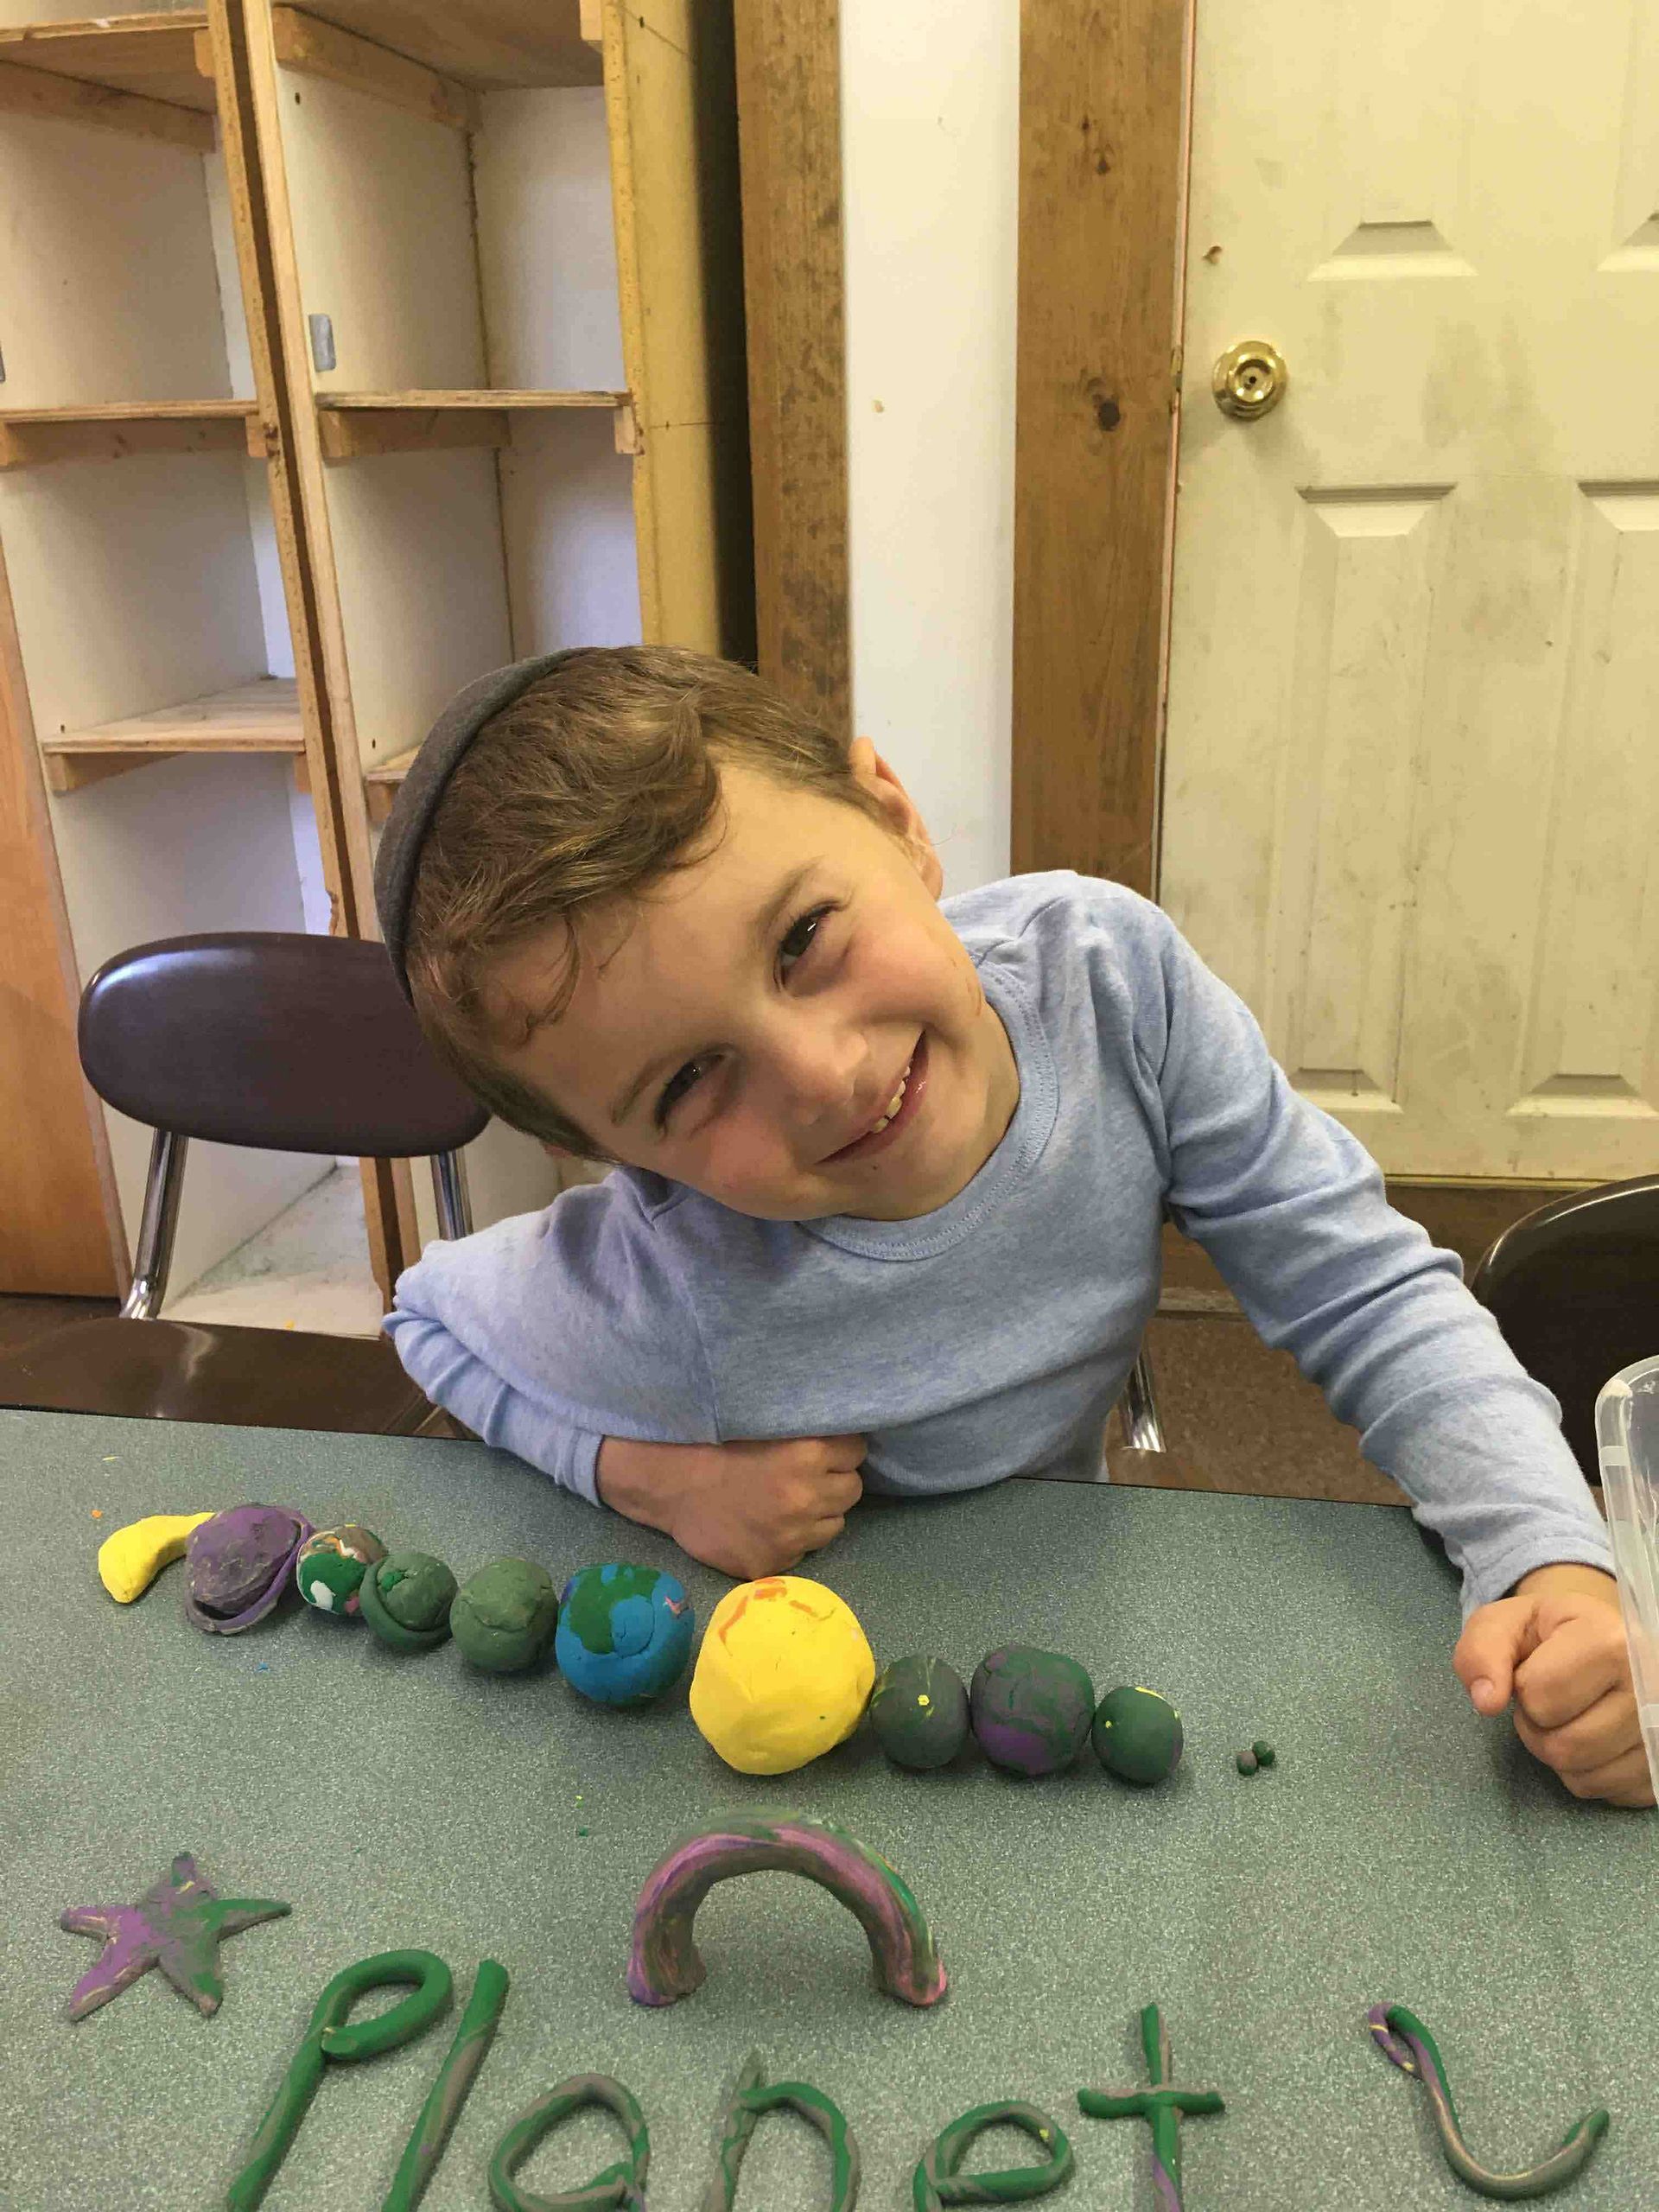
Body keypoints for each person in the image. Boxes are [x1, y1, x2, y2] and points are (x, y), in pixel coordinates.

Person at [376, 645, 1648, 1808]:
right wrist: (652, 1481)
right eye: (688, 1085)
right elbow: (426, 1316)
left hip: (1075, 1601)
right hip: (817, 1708)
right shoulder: (668, 1274)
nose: (823, 1076)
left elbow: (1366, 1295)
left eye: (806, 937)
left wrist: (1552, 1563)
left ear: (895, 820)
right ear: (613, 1156)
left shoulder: (1114, 984)